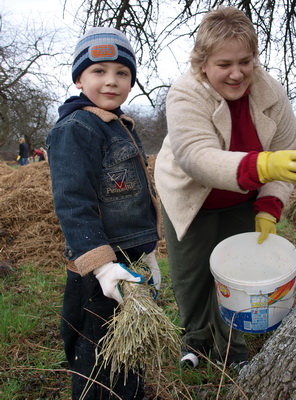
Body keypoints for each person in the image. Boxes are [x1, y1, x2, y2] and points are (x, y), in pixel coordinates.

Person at [154, 6, 296, 371]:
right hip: (192, 196)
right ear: (202, 63)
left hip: (243, 197)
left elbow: (285, 154)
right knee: (192, 274)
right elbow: (196, 157)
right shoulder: (185, 92)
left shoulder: (271, 93)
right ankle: (196, 339)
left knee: (235, 273)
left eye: (246, 61)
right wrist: (261, 163)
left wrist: (269, 206)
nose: (237, 73)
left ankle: (232, 348)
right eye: (224, 63)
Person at [46, 27, 160, 400]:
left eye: (122, 73)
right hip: (99, 270)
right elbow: (73, 203)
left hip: (130, 260)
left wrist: (147, 249)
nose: (111, 81)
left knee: (126, 347)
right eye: (99, 71)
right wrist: (101, 265)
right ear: (79, 77)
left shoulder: (117, 125)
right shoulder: (75, 129)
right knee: (96, 352)